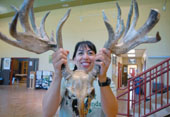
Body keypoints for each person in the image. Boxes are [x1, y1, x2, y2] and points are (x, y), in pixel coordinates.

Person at [42, 41, 118, 117]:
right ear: (74, 59)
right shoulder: (64, 80)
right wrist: (58, 75)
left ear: (96, 58)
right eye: (80, 53)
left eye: (90, 53)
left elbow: (112, 114)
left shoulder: (107, 83)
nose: (85, 57)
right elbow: (47, 113)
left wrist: (102, 79)